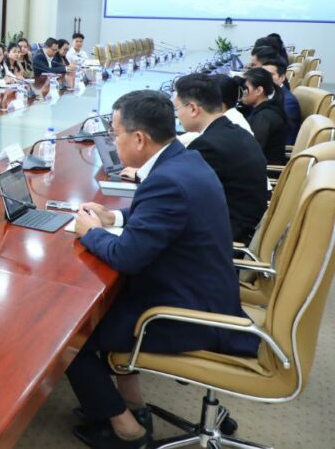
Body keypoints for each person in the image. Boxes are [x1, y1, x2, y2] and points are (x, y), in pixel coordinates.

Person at [68, 90, 257, 449]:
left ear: (139, 138)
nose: (113, 142)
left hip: (185, 312)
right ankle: (133, 406)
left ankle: (127, 429)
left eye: (116, 134)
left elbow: (126, 256)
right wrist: (114, 217)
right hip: (203, 290)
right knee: (109, 308)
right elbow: (160, 216)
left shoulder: (167, 180)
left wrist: (91, 232)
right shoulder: (183, 160)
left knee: (70, 336)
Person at [173, 74, 269, 244]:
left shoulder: (208, 145)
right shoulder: (236, 131)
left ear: (193, 109)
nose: (177, 116)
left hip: (227, 234)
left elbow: (177, 195)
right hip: (246, 224)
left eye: (177, 109)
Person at [241, 67, 288, 164]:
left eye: (245, 89)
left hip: (268, 169)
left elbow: (251, 152)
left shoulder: (264, 117)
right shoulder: (267, 107)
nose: (242, 93)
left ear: (258, 91)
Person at [259, 56, 301, 145]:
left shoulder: (288, 102)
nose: (265, 78)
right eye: (263, 74)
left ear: (282, 77)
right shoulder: (268, 94)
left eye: (270, 75)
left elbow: (284, 136)